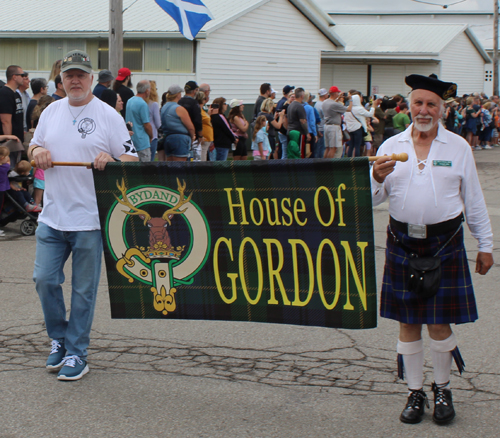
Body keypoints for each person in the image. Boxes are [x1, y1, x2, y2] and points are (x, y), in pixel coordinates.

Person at [372, 74, 494, 425]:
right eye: (418, 103)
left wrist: (485, 244)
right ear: (408, 106)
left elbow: (473, 201)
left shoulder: (458, 147)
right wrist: (376, 179)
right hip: (401, 242)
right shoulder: (390, 145)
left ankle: (443, 388)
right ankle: (414, 392)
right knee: (408, 324)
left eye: (431, 104)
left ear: (442, 109)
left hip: (445, 244)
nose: (423, 110)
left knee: (439, 325)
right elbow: (371, 199)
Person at [28, 49, 138, 381]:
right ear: (60, 80)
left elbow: (132, 161)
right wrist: (38, 152)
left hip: (90, 219)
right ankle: (59, 340)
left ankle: (78, 352)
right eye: (68, 75)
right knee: (44, 280)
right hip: (52, 217)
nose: (75, 80)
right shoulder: (50, 112)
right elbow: (33, 146)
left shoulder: (108, 115)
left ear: (91, 78)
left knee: (83, 290)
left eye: (81, 75)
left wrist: (112, 159)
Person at [160, 84, 195, 162]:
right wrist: (192, 137)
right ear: (178, 95)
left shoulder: (164, 107)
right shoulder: (179, 108)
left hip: (168, 138)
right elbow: (190, 127)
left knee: (170, 164)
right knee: (180, 165)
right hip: (180, 139)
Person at [0, 65, 26, 166]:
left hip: (17, 141)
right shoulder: (5, 93)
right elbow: (5, 120)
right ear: (14, 77)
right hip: (9, 143)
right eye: (22, 75)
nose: (24, 77)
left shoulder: (16, 94)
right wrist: (8, 141)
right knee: (9, 170)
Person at [126, 80, 153, 162]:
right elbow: (146, 124)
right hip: (142, 142)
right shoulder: (143, 104)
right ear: (147, 90)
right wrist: (151, 136)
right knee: (145, 170)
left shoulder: (129, 101)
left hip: (132, 140)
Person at [322, 86, 351, 159]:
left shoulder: (325, 102)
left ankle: (324, 165)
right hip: (334, 127)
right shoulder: (334, 104)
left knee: (328, 148)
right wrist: (351, 100)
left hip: (326, 126)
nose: (338, 94)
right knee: (333, 148)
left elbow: (333, 103)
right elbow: (349, 109)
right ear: (335, 93)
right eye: (338, 92)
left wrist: (338, 98)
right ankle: (330, 166)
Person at [211, 97, 236, 161]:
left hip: (215, 143)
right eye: (225, 104)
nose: (226, 105)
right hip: (222, 144)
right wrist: (234, 139)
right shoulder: (220, 116)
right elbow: (227, 129)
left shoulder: (211, 116)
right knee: (221, 163)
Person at [286, 88, 309, 159]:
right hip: (298, 133)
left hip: (290, 131)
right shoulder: (299, 106)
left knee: (291, 152)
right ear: (302, 96)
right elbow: (303, 121)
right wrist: (307, 132)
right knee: (299, 153)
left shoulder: (290, 105)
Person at [277, 85, 294, 159]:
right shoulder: (286, 106)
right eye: (291, 96)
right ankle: (283, 167)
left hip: (283, 131)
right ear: (288, 97)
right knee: (285, 152)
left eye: (294, 97)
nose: (293, 98)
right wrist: (288, 131)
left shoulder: (284, 104)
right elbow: (284, 120)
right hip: (284, 131)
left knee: (285, 150)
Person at [196, 90, 213, 161]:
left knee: (204, 154)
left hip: (208, 138)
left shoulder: (202, 110)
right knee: (202, 154)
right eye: (204, 98)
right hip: (204, 137)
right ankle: (202, 169)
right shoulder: (198, 110)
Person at [146, 81, 161, 161]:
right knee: (151, 160)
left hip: (143, 135)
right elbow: (158, 124)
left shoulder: (142, 103)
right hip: (153, 135)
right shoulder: (154, 104)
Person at [314, 88, 328, 159]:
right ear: (324, 95)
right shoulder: (322, 105)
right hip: (322, 127)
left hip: (318, 127)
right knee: (321, 147)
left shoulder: (317, 103)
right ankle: (320, 162)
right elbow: (325, 116)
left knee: (319, 147)